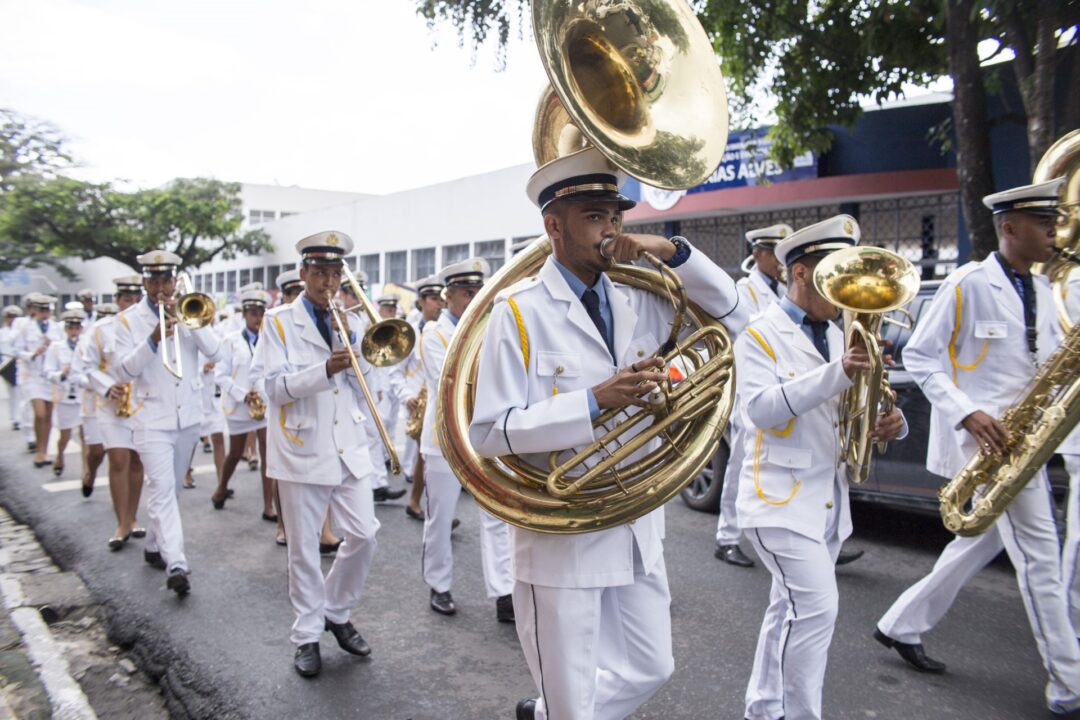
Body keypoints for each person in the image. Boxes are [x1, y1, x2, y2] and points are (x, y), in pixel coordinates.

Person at [469, 147, 745, 720]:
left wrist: (667, 249)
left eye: (616, 217)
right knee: (573, 703)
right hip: (561, 540)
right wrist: (592, 403)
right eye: (596, 217)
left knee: (652, 667)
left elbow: (733, 315)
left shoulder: (639, 294)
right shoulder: (516, 312)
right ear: (554, 225)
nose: (610, 230)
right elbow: (489, 433)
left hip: (635, 524)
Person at [873, 177, 1080, 716]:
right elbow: (920, 356)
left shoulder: (1042, 291)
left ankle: (901, 623)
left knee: (983, 541)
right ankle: (1069, 686)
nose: (1055, 232)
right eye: (1045, 223)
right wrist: (967, 410)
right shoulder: (967, 282)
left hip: (1024, 437)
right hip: (983, 442)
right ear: (1009, 228)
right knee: (1040, 559)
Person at [735, 215, 907, 720]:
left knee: (784, 612)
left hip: (826, 504)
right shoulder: (759, 335)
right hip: (777, 501)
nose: (849, 295)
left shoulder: (837, 336)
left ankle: (764, 709)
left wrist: (890, 423)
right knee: (814, 610)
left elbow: (851, 410)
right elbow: (760, 411)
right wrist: (839, 373)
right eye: (839, 280)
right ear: (804, 273)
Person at [252, 230, 380, 678]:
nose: (328, 281)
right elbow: (272, 388)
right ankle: (307, 635)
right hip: (301, 445)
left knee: (364, 534)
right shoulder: (278, 321)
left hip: (348, 444)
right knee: (304, 550)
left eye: (335, 273)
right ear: (303, 273)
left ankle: (336, 612)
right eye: (320, 272)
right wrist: (325, 368)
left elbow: (369, 378)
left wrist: (361, 350)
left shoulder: (353, 317)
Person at [113, 250, 224, 596]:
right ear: (145, 281)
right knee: (161, 489)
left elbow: (217, 353)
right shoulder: (128, 321)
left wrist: (192, 322)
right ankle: (176, 562)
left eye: (166, 279)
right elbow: (122, 371)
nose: (160, 286)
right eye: (154, 280)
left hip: (188, 416)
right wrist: (153, 340)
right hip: (151, 419)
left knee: (172, 489)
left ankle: (153, 546)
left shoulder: (189, 309)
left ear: (176, 281)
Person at [418, 258, 514, 620]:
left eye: (478, 292)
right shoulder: (433, 334)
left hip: (481, 436)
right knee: (440, 517)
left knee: (495, 515)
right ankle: (439, 585)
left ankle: (504, 591)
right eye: (466, 293)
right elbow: (452, 383)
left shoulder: (488, 328)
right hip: (443, 440)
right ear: (448, 296)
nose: (475, 299)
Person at [715, 223, 791, 568]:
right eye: (774, 253)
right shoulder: (744, 289)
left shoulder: (787, 288)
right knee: (742, 464)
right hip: (751, 387)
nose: (780, 261)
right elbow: (745, 329)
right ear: (758, 254)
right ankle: (727, 537)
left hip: (787, 387)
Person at [85, 277, 147, 550]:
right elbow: (86, 366)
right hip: (112, 405)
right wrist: (107, 386)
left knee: (137, 462)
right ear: (117, 300)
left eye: (135, 299)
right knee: (118, 459)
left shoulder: (149, 325)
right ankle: (121, 523)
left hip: (143, 404)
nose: (131, 304)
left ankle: (132, 517)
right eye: (126, 299)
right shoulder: (101, 329)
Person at [212, 289, 275, 522]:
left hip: (264, 405)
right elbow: (221, 375)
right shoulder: (231, 341)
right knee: (236, 453)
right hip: (239, 405)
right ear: (244, 314)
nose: (257, 317)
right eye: (252, 313)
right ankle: (221, 488)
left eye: (260, 312)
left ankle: (269, 506)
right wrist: (241, 394)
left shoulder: (270, 339)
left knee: (267, 453)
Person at [404, 275, 446, 521]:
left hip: (433, 397)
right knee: (425, 456)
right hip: (418, 400)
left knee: (429, 457)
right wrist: (406, 395)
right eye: (432, 299)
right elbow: (396, 371)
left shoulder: (446, 328)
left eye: (441, 299)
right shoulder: (409, 330)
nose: (438, 304)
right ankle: (420, 503)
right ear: (420, 301)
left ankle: (428, 504)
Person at [70, 303, 116, 496]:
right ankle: (90, 474)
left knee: (118, 452)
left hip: (117, 403)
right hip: (93, 402)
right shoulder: (84, 343)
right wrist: (99, 384)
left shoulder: (122, 340)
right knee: (96, 451)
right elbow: (76, 375)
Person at [16, 294, 63, 467]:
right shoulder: (25, 327)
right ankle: (39, 450)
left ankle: (44, 451)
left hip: (50, 376)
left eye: (47, 309)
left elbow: (62, 348)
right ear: (35, 310)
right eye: (41, 309)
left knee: (49, 415)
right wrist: (34, 353)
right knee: (40, 413)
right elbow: (18, 350)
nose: (45, 313)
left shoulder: (56, 327)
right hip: (33, 376)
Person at [44, 308, 87, 478]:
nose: (74, 331)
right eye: (71, 327)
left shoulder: (86, 345)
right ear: (66, 329)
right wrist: (61, 374)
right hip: (65, 397)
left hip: (83, 395)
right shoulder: (56, 347)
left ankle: (86, 471)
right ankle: (60, 456)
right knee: (65, 436)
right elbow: (47, 371)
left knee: (86, 436)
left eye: (77, 327)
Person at [1, 305, 24, 430]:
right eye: (10, 317)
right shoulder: (2, 333)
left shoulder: (22, 331)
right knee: (13, 393)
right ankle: (15, 418)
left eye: (14, 317)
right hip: (7, 363)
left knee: (21, 393)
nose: (12, 319)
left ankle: (20, 417)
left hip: (20, 362)